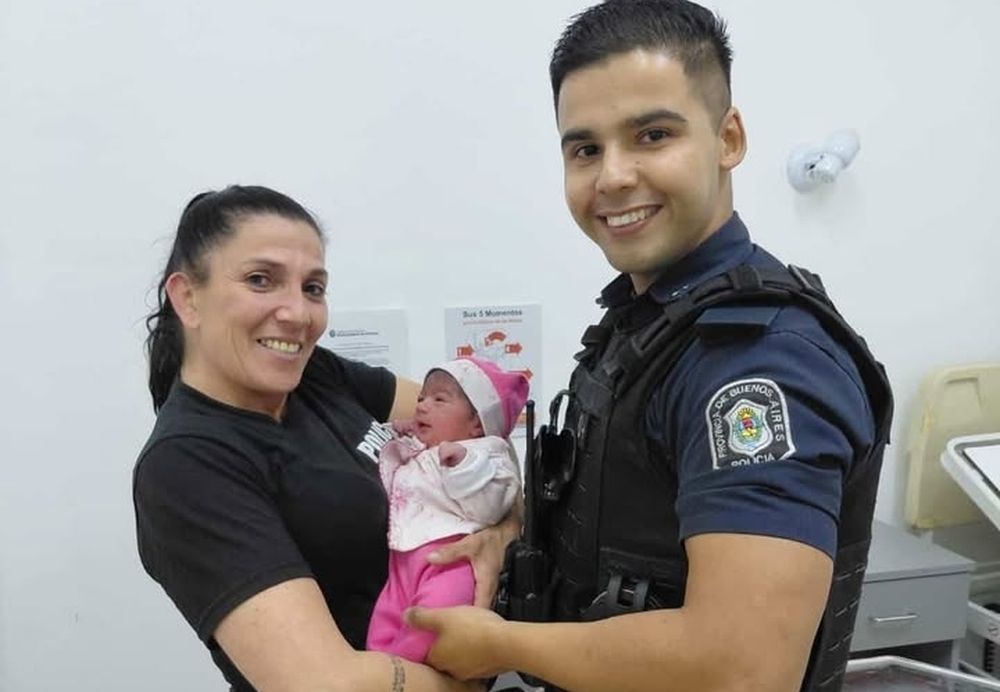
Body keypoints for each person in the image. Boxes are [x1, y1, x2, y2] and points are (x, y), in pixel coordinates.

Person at [405, 2, 893, 691]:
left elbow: (745, 667)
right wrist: (514, 539)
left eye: (652, 135)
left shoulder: (759, 365)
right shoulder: (649, 321)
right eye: (586, 149)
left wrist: (503, 644)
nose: (612, 177)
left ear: (728, 139)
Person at [132, 184, 515, 692]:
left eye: (313, 288)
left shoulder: (315, 375)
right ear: (187, 297)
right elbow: (327, 683)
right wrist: (470, 681)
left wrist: (504, 530)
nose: (297, 314)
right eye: (260, 280)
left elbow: (481, 431)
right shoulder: (187, 466)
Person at [367, 357, 528, 663]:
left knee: (429, 622)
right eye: (420, 398)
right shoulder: (423, 447)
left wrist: (466, 467)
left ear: (477, 423)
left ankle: (404, 671)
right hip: (401, 561)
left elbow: (494, 504)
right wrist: (401, 434)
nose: (422, 405)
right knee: (384, 622)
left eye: (439, 399)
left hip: (451, 559)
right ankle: (381, 670)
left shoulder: (484, 456)